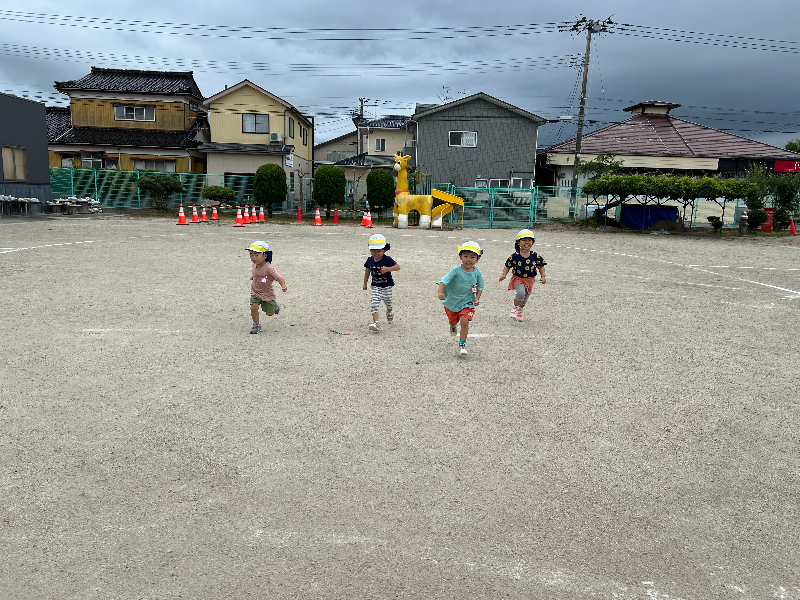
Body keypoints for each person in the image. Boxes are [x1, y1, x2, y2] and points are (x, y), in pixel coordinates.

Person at [437, 241, 484, 356]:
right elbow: (444, 281)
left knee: (464, 320)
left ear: (477, 259)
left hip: (468, 301)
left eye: (472, 257)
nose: (469, 260)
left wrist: (477, 298)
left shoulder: (477, 272)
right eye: (465, 256)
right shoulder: (456, 270)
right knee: (453, 320)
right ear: (460, 257)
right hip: (453, 301)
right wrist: (440, 292)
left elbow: (480, 286)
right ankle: (453, 325)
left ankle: (462, 345)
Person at [498, 229, 546, 322]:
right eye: (524, 240)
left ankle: (520, 310)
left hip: (530, 279)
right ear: (518, 242)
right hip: (518, 278)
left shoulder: (535, 256)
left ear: (532, 242)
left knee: (525, 297)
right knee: (521, 293)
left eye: (529, 240)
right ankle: (515, 308)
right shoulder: (515, 255)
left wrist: (543, 276)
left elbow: (541, 266)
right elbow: (507, 265)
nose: (527, 242)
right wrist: (504, 274)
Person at [248, 241, 287, 334]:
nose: (253, 257)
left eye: (257, 255)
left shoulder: (269, 268)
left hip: (267, 293)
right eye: (251, 254)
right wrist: (253, 277)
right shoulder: (254, 265)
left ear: (265, 256)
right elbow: (256, 273)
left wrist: (283, 285)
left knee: (269, 313)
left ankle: (274, 305)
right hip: (255, 291)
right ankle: (256, 325)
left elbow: (279, 277)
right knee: (253, 307)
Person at [363, 234, 400, 332]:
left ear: (384, 250)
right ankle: (376, 323)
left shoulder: (387, 259)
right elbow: (367, 271)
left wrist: (388, 269)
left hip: (387, 286)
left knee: (389, 304)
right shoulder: (369, 260)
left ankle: (389, 313)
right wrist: (365, 283)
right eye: (373, 251)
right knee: (374, 303)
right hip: (376, 286)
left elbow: (397, 267)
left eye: (379, 251)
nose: (376, 253)